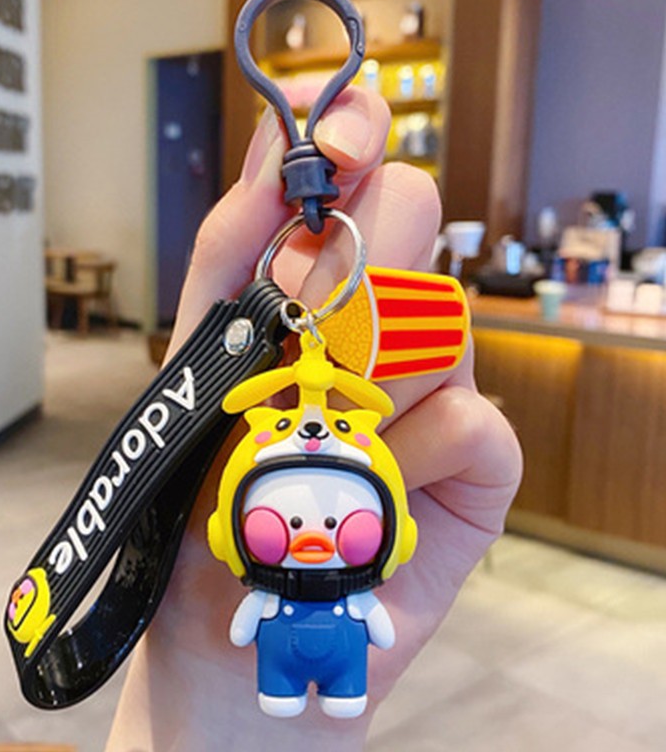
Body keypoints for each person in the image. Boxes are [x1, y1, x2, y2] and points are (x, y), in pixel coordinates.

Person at [105, 87, 522, 752]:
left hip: (314, 661)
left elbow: (366, 622)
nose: (310, 537)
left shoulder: (355, 579)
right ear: (231, 529)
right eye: (283, 524)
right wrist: (198, 688)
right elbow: (244, 621)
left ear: (390, 534)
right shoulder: (249, 569)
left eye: (341, 525)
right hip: (231, 667)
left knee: (405, 206)